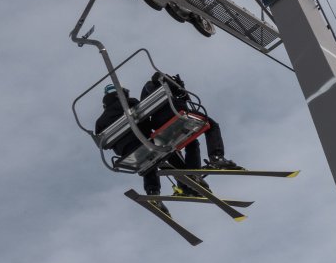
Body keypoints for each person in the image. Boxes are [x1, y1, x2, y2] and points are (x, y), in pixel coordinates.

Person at [139, 72, 242, 199]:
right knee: (212, 125)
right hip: (175, 113)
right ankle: (216, 157)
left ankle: (187, 181)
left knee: (188, 144)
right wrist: (179, 85)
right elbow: (183, 96)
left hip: (158, 123)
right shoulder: (164, 81)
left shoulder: (146, 90)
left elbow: (143, 111)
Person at [94, 83, 172, 215]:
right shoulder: (129, 103)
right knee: (167, 145)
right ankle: (185, 179)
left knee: (147, 163)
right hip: (143, 143)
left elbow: (104, 144)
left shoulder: (100, 121)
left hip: (126, 153)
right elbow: (145, 119)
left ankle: (153, 193)